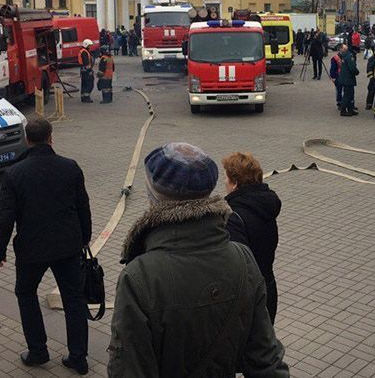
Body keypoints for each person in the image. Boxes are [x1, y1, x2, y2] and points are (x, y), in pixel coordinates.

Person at [107, 143, 289, 377]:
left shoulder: (139, 276)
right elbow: (266, 359)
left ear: (153, 195)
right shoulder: (243, 259)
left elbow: (128, 369)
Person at [0, 118, 92, 375]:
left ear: (27, 140)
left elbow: (5, 218)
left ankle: (38, 351)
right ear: (51, 137)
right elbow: (83, 206)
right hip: (68, 246)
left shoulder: (14, 174)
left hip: (31, 249)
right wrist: (85, 238)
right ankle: (78, 358)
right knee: (74, 299)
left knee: (26, 294)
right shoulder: (70, 167)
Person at [223, 152, 282, 324]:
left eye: (226, 178)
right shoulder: (266, 207)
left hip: (246, 298)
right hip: (268, 286)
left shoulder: (234, 217)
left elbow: (237, 266)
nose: (224, 183)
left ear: (234, 184)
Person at [337, 42, 359, 116]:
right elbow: (352, 68)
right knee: (347, 95)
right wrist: (357, 72)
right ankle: (343, 110)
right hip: (348, 79)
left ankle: (350, 109)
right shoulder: (349, 56)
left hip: (345, 78)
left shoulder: (344, 56)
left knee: (350, 94)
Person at [330, 44, 344, 110]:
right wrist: (333, 77)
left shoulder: (347, 56)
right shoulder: (335, 58)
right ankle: (339, 103)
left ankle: (346, 102)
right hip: (338, 76)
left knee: (345, 90)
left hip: (345, 76)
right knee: (339, 90)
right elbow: (333, 68)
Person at [365, 44, 375, 110]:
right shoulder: (372, 59)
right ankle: (369, 104)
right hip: (373, 78)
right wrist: (372, 77)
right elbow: (369, 69)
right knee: (371, 91)